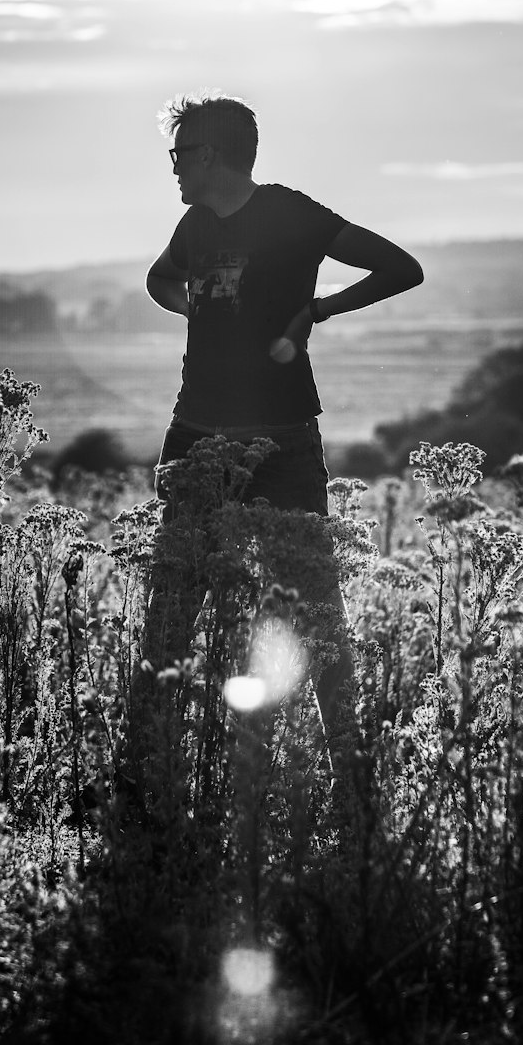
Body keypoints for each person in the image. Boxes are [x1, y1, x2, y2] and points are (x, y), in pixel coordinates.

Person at [138, 90, 423, 791]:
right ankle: (143, 783)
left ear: (209, 154)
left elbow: (401, 268)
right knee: (171, 616)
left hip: (283, 443)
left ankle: (353, 786)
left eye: (180, 153)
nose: (173, 168)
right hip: (196, 438)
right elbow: (159, 278)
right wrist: (197, 307)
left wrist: (317, 310)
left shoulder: (292, 213)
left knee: (315, 614)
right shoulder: (195, 224)